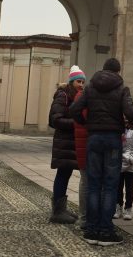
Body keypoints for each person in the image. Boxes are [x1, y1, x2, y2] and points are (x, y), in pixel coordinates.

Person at [70, 58, 133, 247]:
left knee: (93, 184)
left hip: (94, 138)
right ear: (118, 71)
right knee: (109, 185)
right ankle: (106, 231)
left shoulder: (90, 87)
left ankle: (91, 230)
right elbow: (131, 112)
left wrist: (86, 124)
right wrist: (130, 123)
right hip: (113, 139)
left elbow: (75, 109)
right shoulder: (122, 88)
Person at [48, 65, 85, 224]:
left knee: (65, 173)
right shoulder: (63, 96)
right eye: (78, 81)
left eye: (83, 82)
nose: (81, 85)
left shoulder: (75, 96)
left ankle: (60, 209)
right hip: (64, 143)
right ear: (71, 82)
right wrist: (76, 124)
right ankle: (57, 211)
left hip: (69, 143)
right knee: (62, 174)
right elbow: (55, 120)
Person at [113, 118, 133, 220]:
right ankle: (118, 207)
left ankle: (128, 208)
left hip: (131, 164)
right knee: (118, 187)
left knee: (129, 188)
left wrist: (132, 158)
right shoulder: (119, 129)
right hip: (119, 163)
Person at [72, 84, 88, 230]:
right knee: (97, 184)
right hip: (91, 143)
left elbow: (74, 111)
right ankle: (90, 218)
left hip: (81, 144)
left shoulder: (79, 96)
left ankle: (83, 218)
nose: (81, 84)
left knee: (85, 181)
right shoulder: (91, 97)